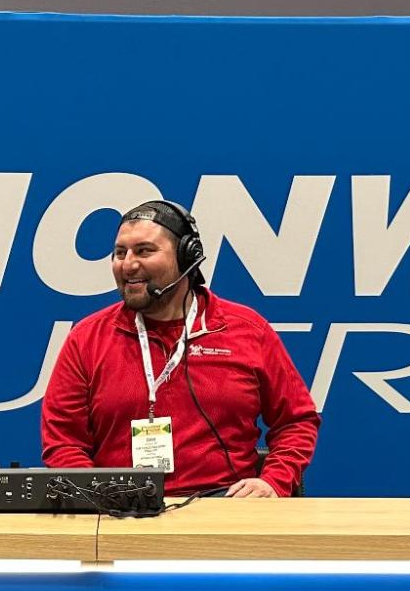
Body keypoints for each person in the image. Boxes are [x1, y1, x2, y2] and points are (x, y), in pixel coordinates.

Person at [40, 199, 320, 497]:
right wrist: (97, 496)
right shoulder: (86, 339)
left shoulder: (247, 330)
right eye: (120, 252)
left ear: (188, 257)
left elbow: (296, 420)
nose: (128, 264)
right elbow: (64, 443)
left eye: (144, 251)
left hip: (225, 510)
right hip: (120, 514)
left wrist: (273, 482)